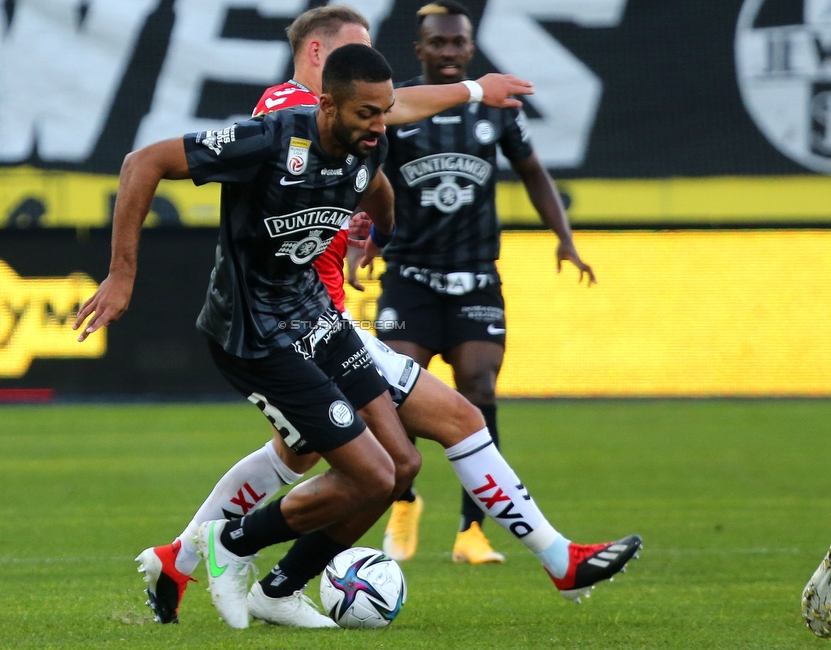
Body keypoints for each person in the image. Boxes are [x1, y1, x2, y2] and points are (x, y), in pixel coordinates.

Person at [120, 9, 641, 630]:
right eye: (359, 58)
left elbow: (389, 137)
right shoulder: (286, 114)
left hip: (321, 316)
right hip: (270, 327)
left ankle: (197, 564)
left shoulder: (363, 127)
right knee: (388, 453)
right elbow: (154, 162)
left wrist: (379, 228)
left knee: (355, 458)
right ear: (320, 59)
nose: (381, 112)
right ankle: (232, 560)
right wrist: (471, 90)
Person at [373, 0, 598, 565]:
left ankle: (473, 531)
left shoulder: (495, 108)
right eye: (439, 43)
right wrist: (364, 241)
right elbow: (368, 180)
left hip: (475, 278)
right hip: (409, 276)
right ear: (419, 49)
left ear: (472, 48)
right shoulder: (398, 105)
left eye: (459, 43)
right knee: (390, 397)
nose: (450, 52)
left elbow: (532, 171)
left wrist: (564, 237)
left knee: (479, 387)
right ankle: (403, 499)